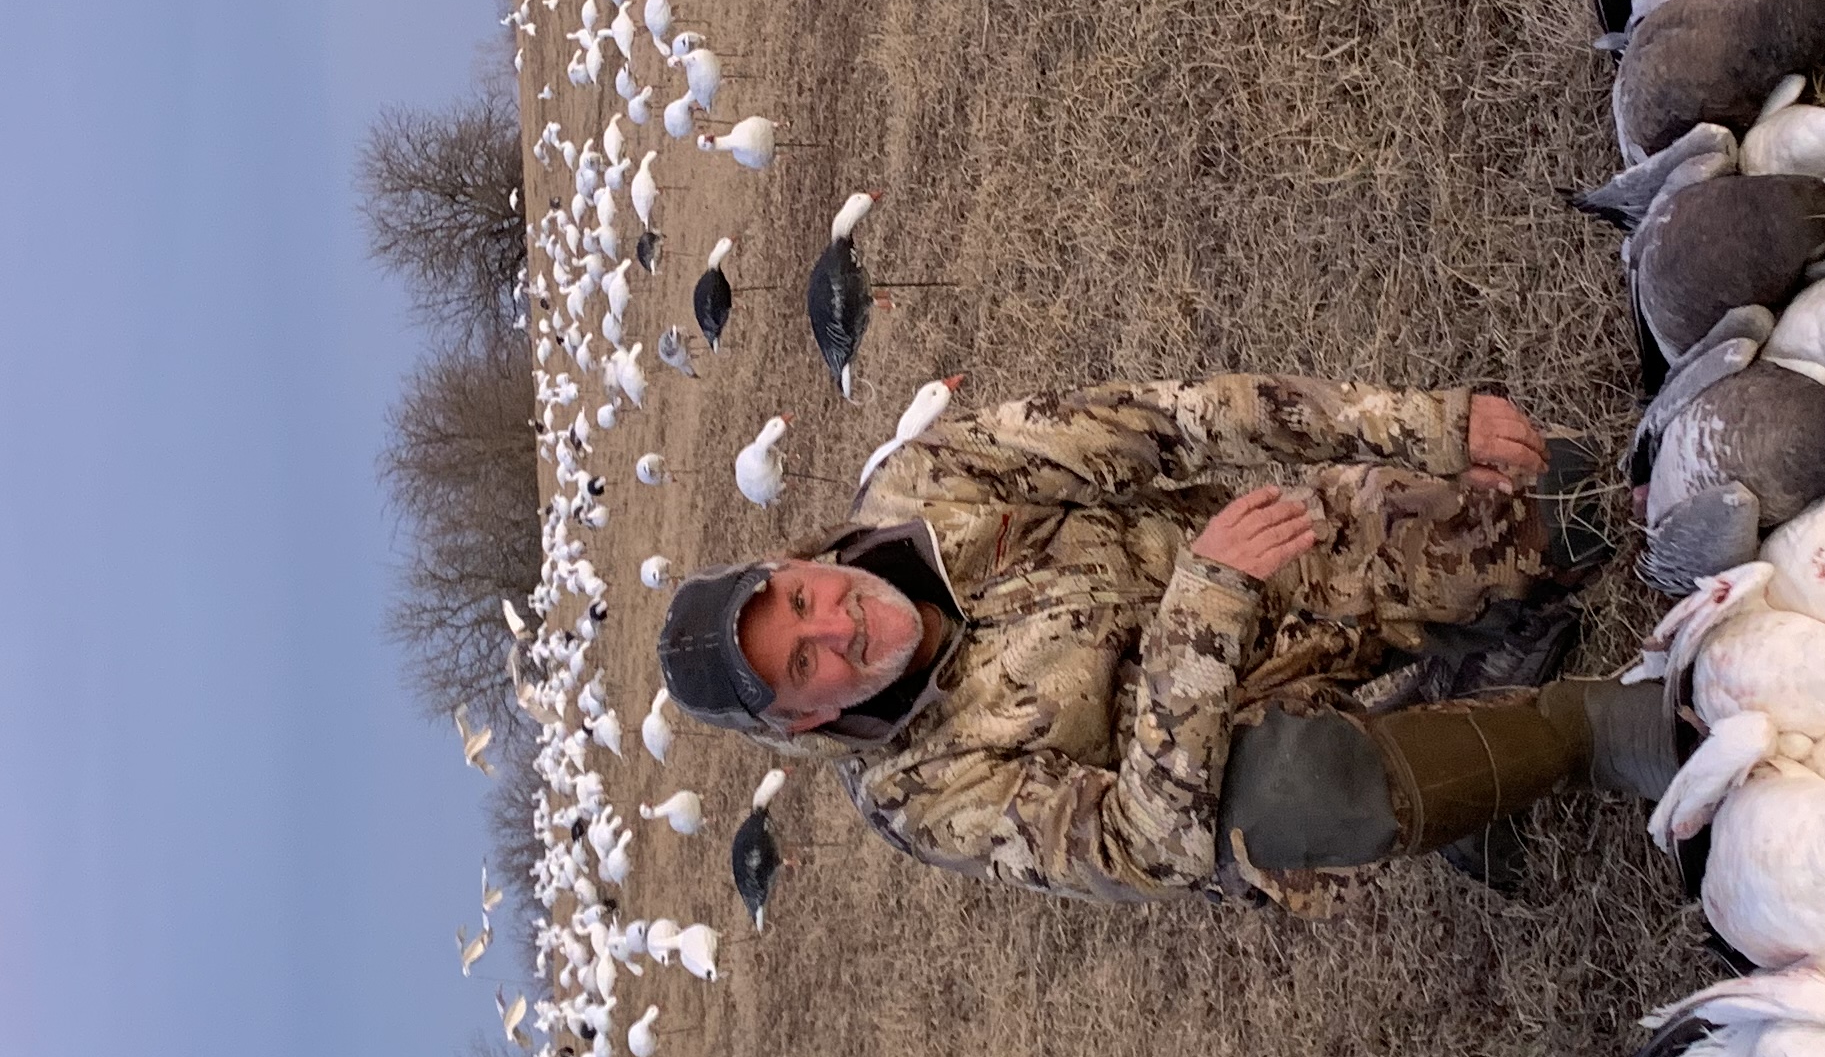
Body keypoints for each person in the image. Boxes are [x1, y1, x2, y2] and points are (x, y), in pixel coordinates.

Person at [652, 375, 1679, 906]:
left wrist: (1412, 425)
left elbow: (1171, 419)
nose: (835, 624)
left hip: (1284, 565)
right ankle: (1580, 731)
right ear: (809, 717)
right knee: (1295, 800)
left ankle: (1490, 649)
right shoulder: (919, 795)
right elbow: (1145, 847)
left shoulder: (928, 486)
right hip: (1228, 746)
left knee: (1569, 502)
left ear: (790, 564)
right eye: (803, 664)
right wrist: (1204, 607)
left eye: (797, 598)